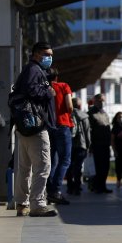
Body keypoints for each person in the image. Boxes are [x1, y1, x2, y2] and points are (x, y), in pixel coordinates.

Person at [12, 42, 58, 217]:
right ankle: (38, 204)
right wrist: (49, 92)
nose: (50, 58)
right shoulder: (34, 70)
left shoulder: (30, 69)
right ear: (37, 54)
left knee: (25, 168)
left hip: (25, 127)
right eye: (47, 54)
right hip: (36, 127)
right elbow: (33, 90)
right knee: (43, 166)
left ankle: (22, 204)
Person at [45, 67, 73, 205]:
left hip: (49, 127)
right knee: (65, 160)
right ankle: (55, 191)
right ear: (57, 76)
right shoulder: (63, 86)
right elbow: (69, 106)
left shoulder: (45, 89)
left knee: (52, 161)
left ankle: (48, 189)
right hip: (63, 125)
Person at [87, 94, 113, 194]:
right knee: (98, 167)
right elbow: (89, 130)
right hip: (96, 144)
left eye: (103, 100)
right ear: (95, 101)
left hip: (106, 144)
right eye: (100, 100)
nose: (102, 102)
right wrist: (90, 146)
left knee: (105, 166)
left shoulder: (104, 113)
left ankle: (103, 185)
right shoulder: (91, 113)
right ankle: (97, 186)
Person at [67, 97, 91, 196]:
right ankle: (77, 186)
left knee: (69, 166)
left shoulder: (68, 114)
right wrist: (88, 145)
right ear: (80, 105)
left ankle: (69, 186)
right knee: (78, 166)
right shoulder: (84, 116)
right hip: (81, 144)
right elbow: (87, 132)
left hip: (70, 144)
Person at [111, 111, 122, 191]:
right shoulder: (115, 128)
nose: (121, 118)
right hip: (118, 150)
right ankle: (118, 179)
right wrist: (114, 151)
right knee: (118, 166)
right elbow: (112, 140)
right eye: (119, 117)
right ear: (116, 119)